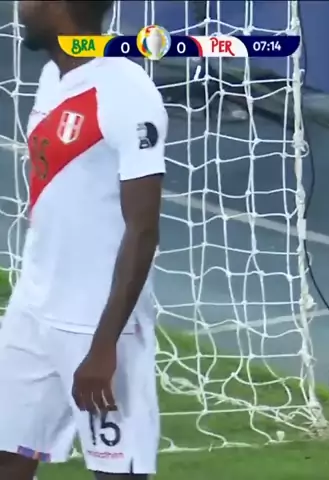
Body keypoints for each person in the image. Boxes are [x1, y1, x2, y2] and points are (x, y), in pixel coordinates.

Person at [0, 1, 167, 479]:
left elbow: (143, 230)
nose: (19, 7)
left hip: (95, 323)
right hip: (33, 309)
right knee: (7, 454)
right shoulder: (53, 77)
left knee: (117, 473)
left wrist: (104, 345)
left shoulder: (126, 93)